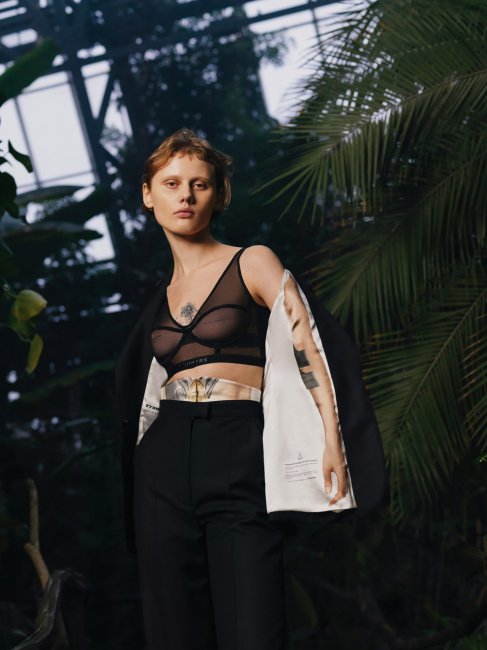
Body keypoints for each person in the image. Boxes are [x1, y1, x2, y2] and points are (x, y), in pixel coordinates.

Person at [113, 128, 387, 650]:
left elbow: (308, 343)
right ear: (148, 195)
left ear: (219, 195)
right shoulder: (159, 298)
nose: (186, 196)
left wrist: (333, 436)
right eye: (171, 184)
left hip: (237, 443)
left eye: (199, 184)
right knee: (173, 629)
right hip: (164, 457)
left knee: (254, 627)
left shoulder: (251, 260)